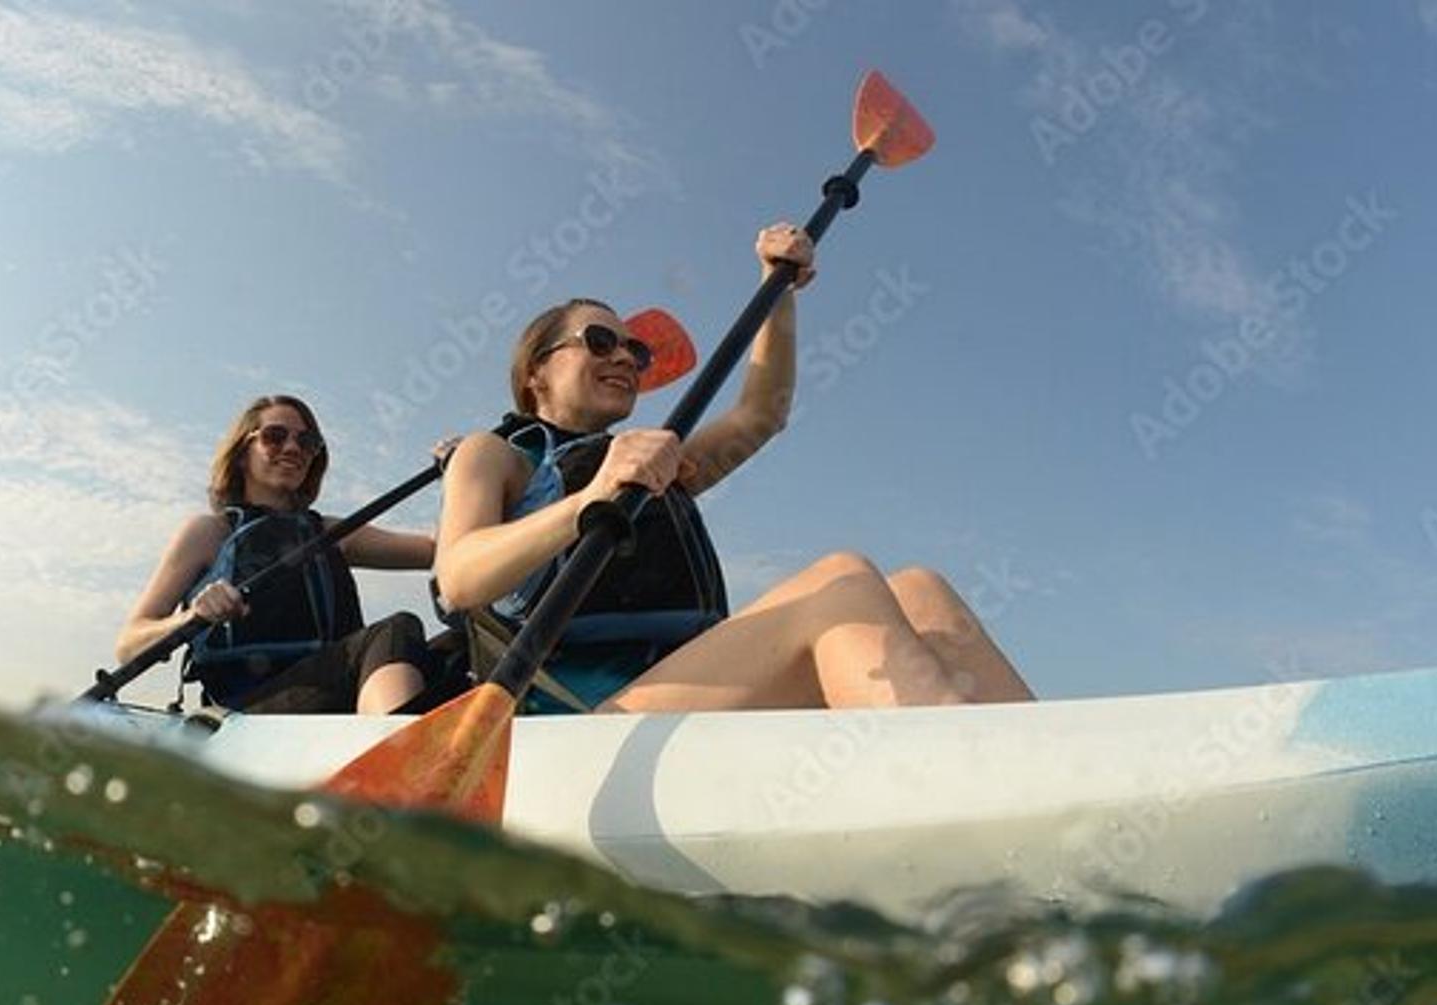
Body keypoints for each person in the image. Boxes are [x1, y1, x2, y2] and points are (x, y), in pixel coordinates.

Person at [431, 224, 1033, 712]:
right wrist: (587, 503)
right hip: (579, 722)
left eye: (634, 351)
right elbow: (459, 578)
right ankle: (958, 784)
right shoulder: (494, 454)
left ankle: (1054, 784)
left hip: (680, 690)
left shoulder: (651, 461)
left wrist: (779, 294)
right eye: (599, 341)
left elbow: (760, 415)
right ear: (536, 370)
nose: (624, 357)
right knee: (841, 583)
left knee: (919, 591)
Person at [119, 394, 436, 714]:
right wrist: (194, 616)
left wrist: (464, 470)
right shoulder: (208, 532)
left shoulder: (332, 533)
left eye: (307, 441)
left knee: (455, 652)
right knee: (396, 630)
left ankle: (415, 745)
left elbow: (437, 550)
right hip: (249, 713)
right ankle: (395, 753)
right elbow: (129, 644)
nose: (292, 448)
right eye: (274, 436)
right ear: (242, 453)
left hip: (337, 690)